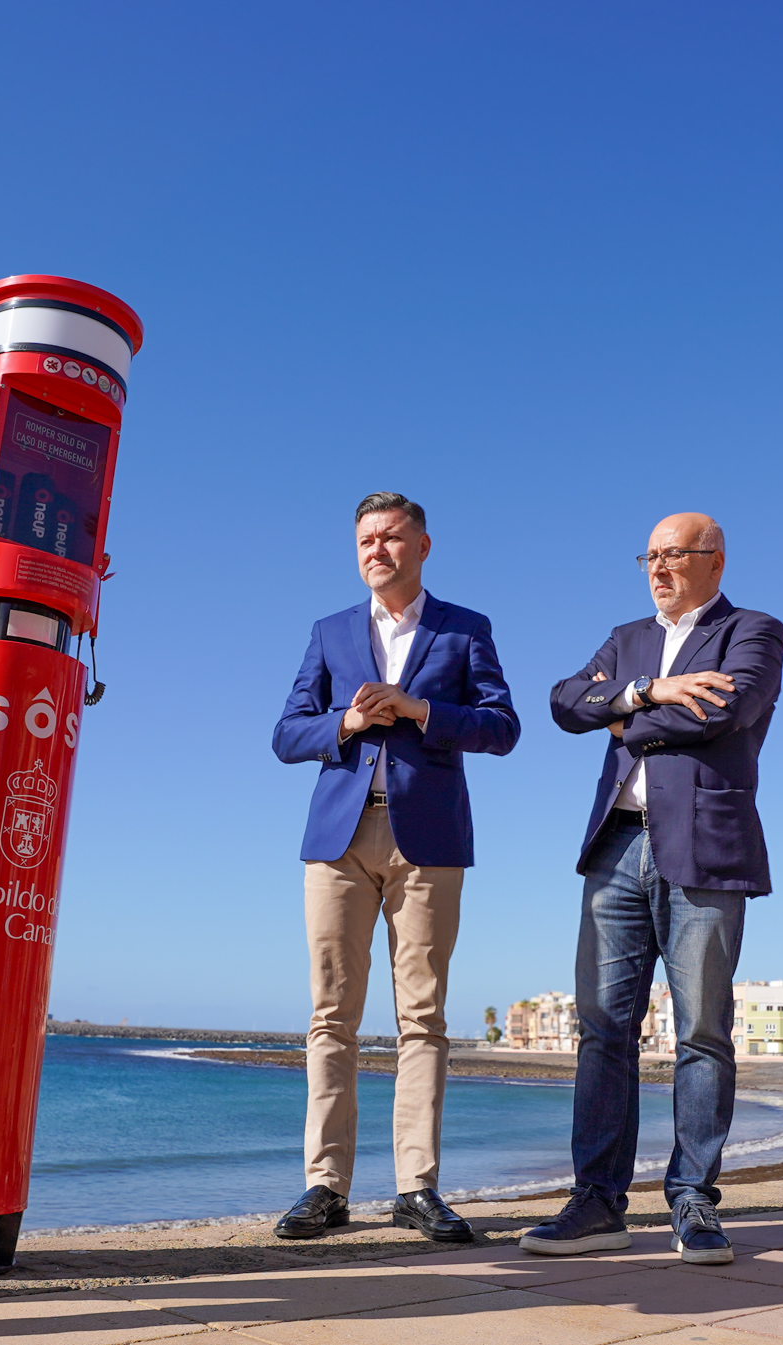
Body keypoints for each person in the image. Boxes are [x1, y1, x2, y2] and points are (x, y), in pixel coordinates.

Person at [526, 514, 783, 1266]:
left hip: (704, 844)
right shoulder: (627, 638)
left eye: (676, 554)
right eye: (650, 555)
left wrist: (624, 715)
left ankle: (693, 1200)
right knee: (602, 1028)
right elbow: (563, 702)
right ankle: (597, 1202)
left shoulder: (754, 629)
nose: (659, 567)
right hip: (615, 846)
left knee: (701, 1029)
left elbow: (726, 710)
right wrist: (650, 688)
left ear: (715, 559)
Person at [270, 492, 520, 1244]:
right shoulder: (329, 631)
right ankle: (324, 1185)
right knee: (330, 1016)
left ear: (422, 545)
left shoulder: (463, 627)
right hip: (337, 841)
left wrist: (417, 710)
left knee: (423, 1019)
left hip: (429, 839)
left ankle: (417, 1185)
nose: (376, 548)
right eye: (365, 540)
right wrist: (345, 721)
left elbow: (502, 727)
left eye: (390, 537)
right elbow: (285, 734)